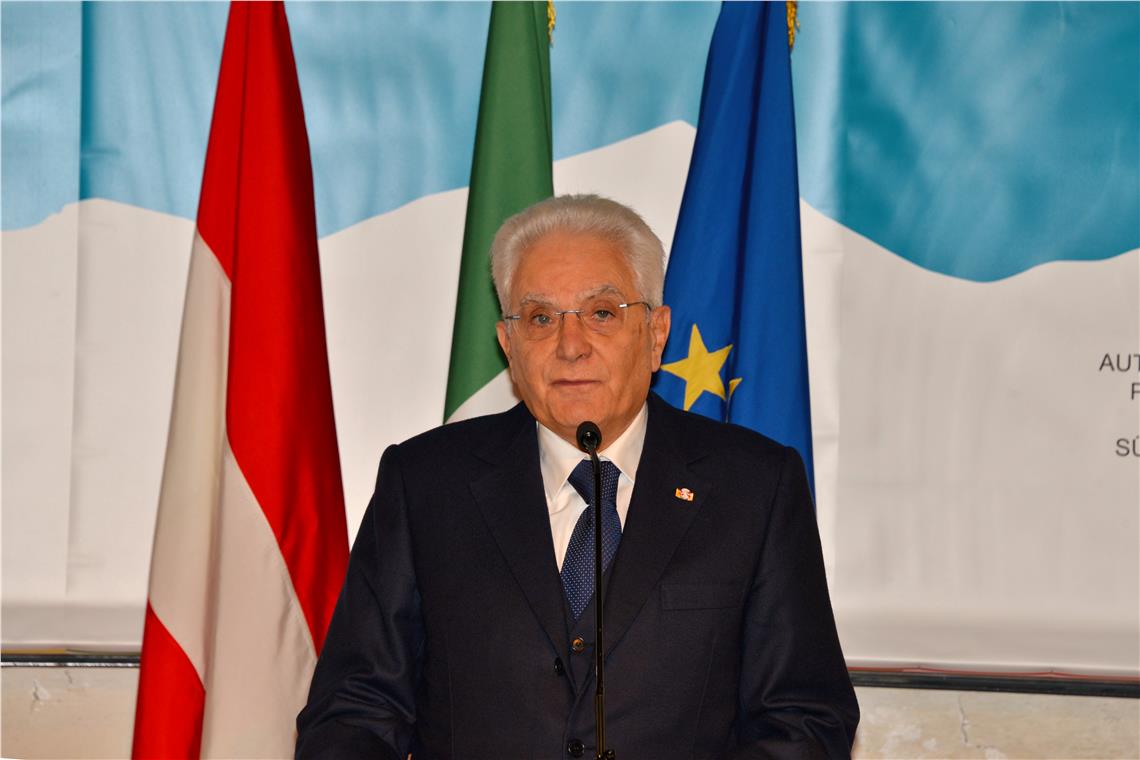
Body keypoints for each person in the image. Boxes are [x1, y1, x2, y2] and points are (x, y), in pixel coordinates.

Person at [296, 195, 858, 759]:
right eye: (540, 318)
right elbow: (353, 712)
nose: (570, 346)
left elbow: (804, 718)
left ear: (656, 334)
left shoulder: (754, 487)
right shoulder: (425, 484)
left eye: (602, 313)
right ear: (508, 344)